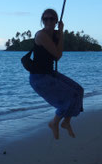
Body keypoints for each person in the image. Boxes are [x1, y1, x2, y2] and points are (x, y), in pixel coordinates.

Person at [29, 8, 84, 139]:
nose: (48, 21)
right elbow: (58, 55)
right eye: (45, 19)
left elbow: (56, 53)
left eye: (51, 18)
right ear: (42, 21)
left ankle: (66, 122)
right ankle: (54, 123)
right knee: (69, 98)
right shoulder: (41, 35)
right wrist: (61, 33)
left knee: (79, 90)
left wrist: (59, 33)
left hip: (49, 73)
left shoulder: (54, 34)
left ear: (56, 21)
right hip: (39, 77)